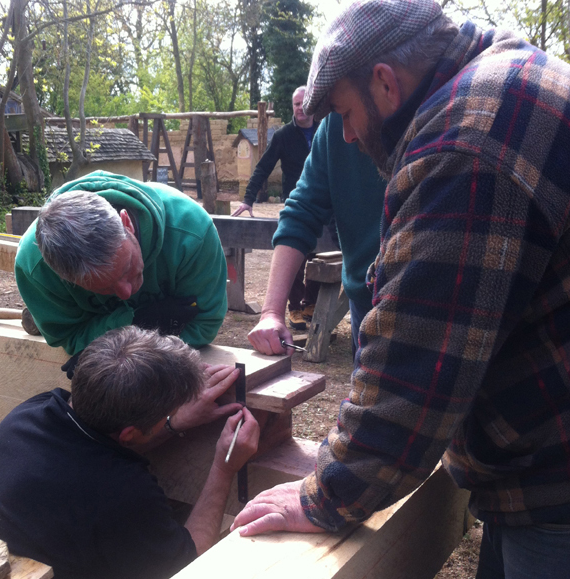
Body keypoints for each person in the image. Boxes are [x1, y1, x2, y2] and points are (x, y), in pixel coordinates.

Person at [232, 1, 570, 577]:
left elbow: (415, 377)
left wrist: (325, 494)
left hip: (554, 483)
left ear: (384, 82)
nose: (346, 133)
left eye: (343, 111)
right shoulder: (511, 69)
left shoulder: (463, 148)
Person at [0, 326, 259, 579]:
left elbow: (107, 443)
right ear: (130, 433)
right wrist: (224, 467)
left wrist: (172, 423)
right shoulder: (121, 492)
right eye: (168, 412)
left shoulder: (28, 414)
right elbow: (190, 561)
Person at [15, 170, 227, 363]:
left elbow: (205, 324)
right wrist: (134, 322)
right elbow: (70, 337)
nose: (126, 293)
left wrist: (120, 337)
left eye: (127, 269)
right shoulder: (35, 269)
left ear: (127, 223)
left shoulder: (192, 231)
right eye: (103, 289)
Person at [247, 111, 386, 358]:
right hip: (364, 298)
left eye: (346, 113)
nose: (346, 136)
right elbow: (302, 211)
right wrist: (270, 313)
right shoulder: (332, 126)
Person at [233, 87, 320, 331]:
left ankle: (310, 303)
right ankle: (294, 308)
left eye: (304, 103)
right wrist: (248, 199)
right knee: (294, 254)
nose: (300, 108)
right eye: (295, 104)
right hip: (297, 202)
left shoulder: (326, 129)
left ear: (312, 103)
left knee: (321, 255)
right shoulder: (283, 136)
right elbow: (263, 167)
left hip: (324, 202)